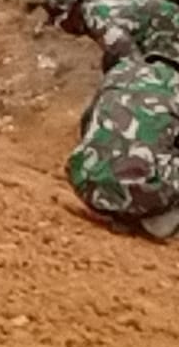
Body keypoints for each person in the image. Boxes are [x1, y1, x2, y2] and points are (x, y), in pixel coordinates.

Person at [66, 53, 179, 239]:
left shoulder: (121, 70)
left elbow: (87, 123)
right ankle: (156, 218)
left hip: (86, 183)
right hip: (142, 193)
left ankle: (120, 205)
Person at [32, 0, 179, 73]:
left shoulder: (97, 18)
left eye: (61, 22)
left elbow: (133, 64)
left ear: (69, 13)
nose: (63, 29)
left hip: (170, 34)